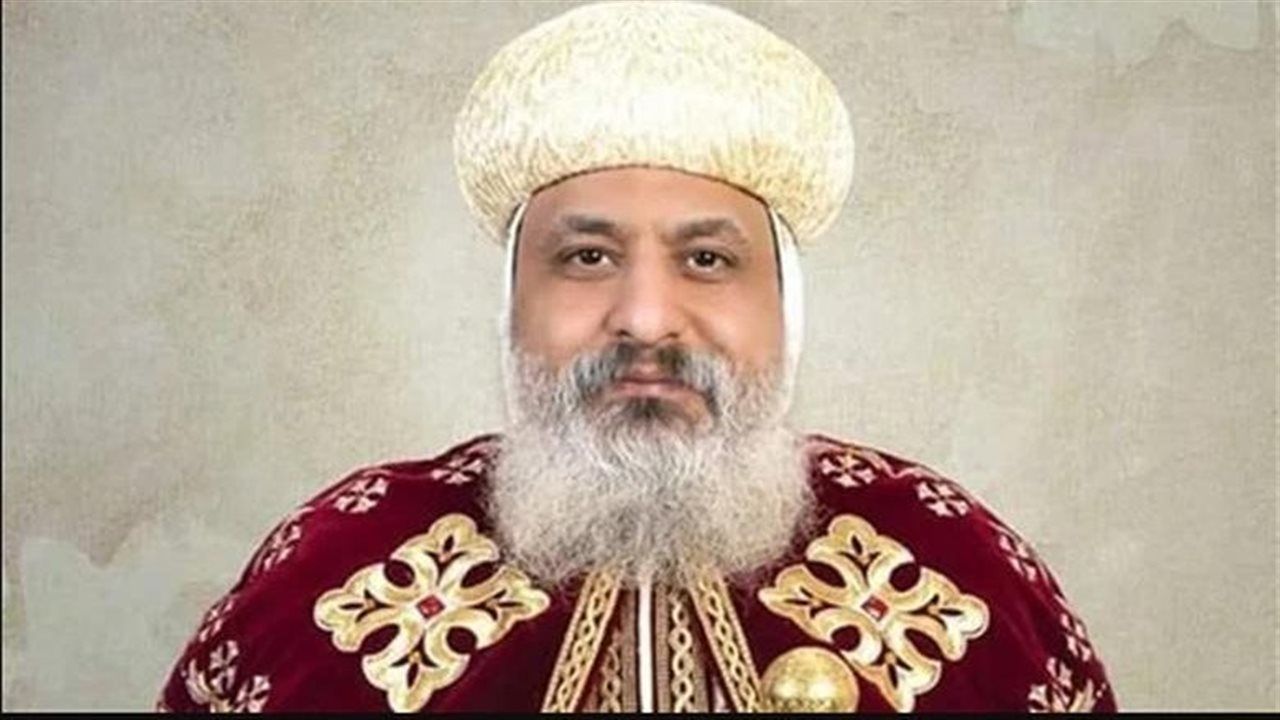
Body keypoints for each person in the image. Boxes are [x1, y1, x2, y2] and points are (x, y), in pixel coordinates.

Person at [157, 1, 1115, 712]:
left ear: (785, 308)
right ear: (511, 305)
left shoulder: (957, 570)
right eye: (587, 257)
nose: (648, 319)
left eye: (707, 260)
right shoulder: (335, 573)